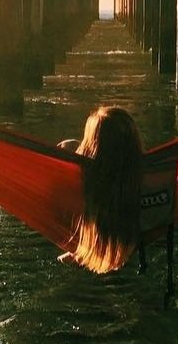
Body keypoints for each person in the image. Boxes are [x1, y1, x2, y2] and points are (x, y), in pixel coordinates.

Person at [59, 106, 145, 273]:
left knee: (66, 147)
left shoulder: (84, 176)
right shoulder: (149, 172)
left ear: (92, 144)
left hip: (94, 229)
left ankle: (84, 250)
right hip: (130, 227)